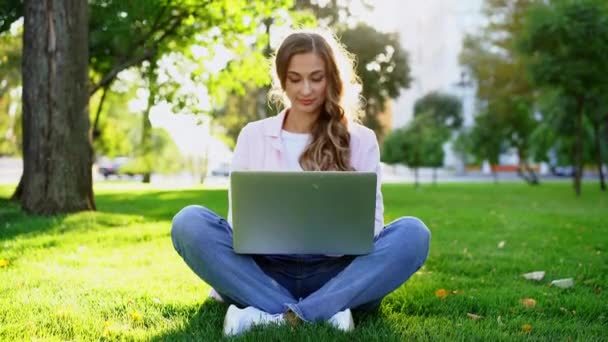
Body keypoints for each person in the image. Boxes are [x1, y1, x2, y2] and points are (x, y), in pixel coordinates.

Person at [171, 29, 431, 336]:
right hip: (263, 272)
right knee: (188, 222)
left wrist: (335, 235)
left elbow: (372, 227)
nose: (305, 89)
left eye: (316, 78)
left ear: (331, 78)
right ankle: (326, 313)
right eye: (295, 79)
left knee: (414, 234)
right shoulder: (253, 136)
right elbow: (238, 224)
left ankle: (276, 314)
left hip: (338, 274)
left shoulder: (361, 140)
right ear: (282, 80)